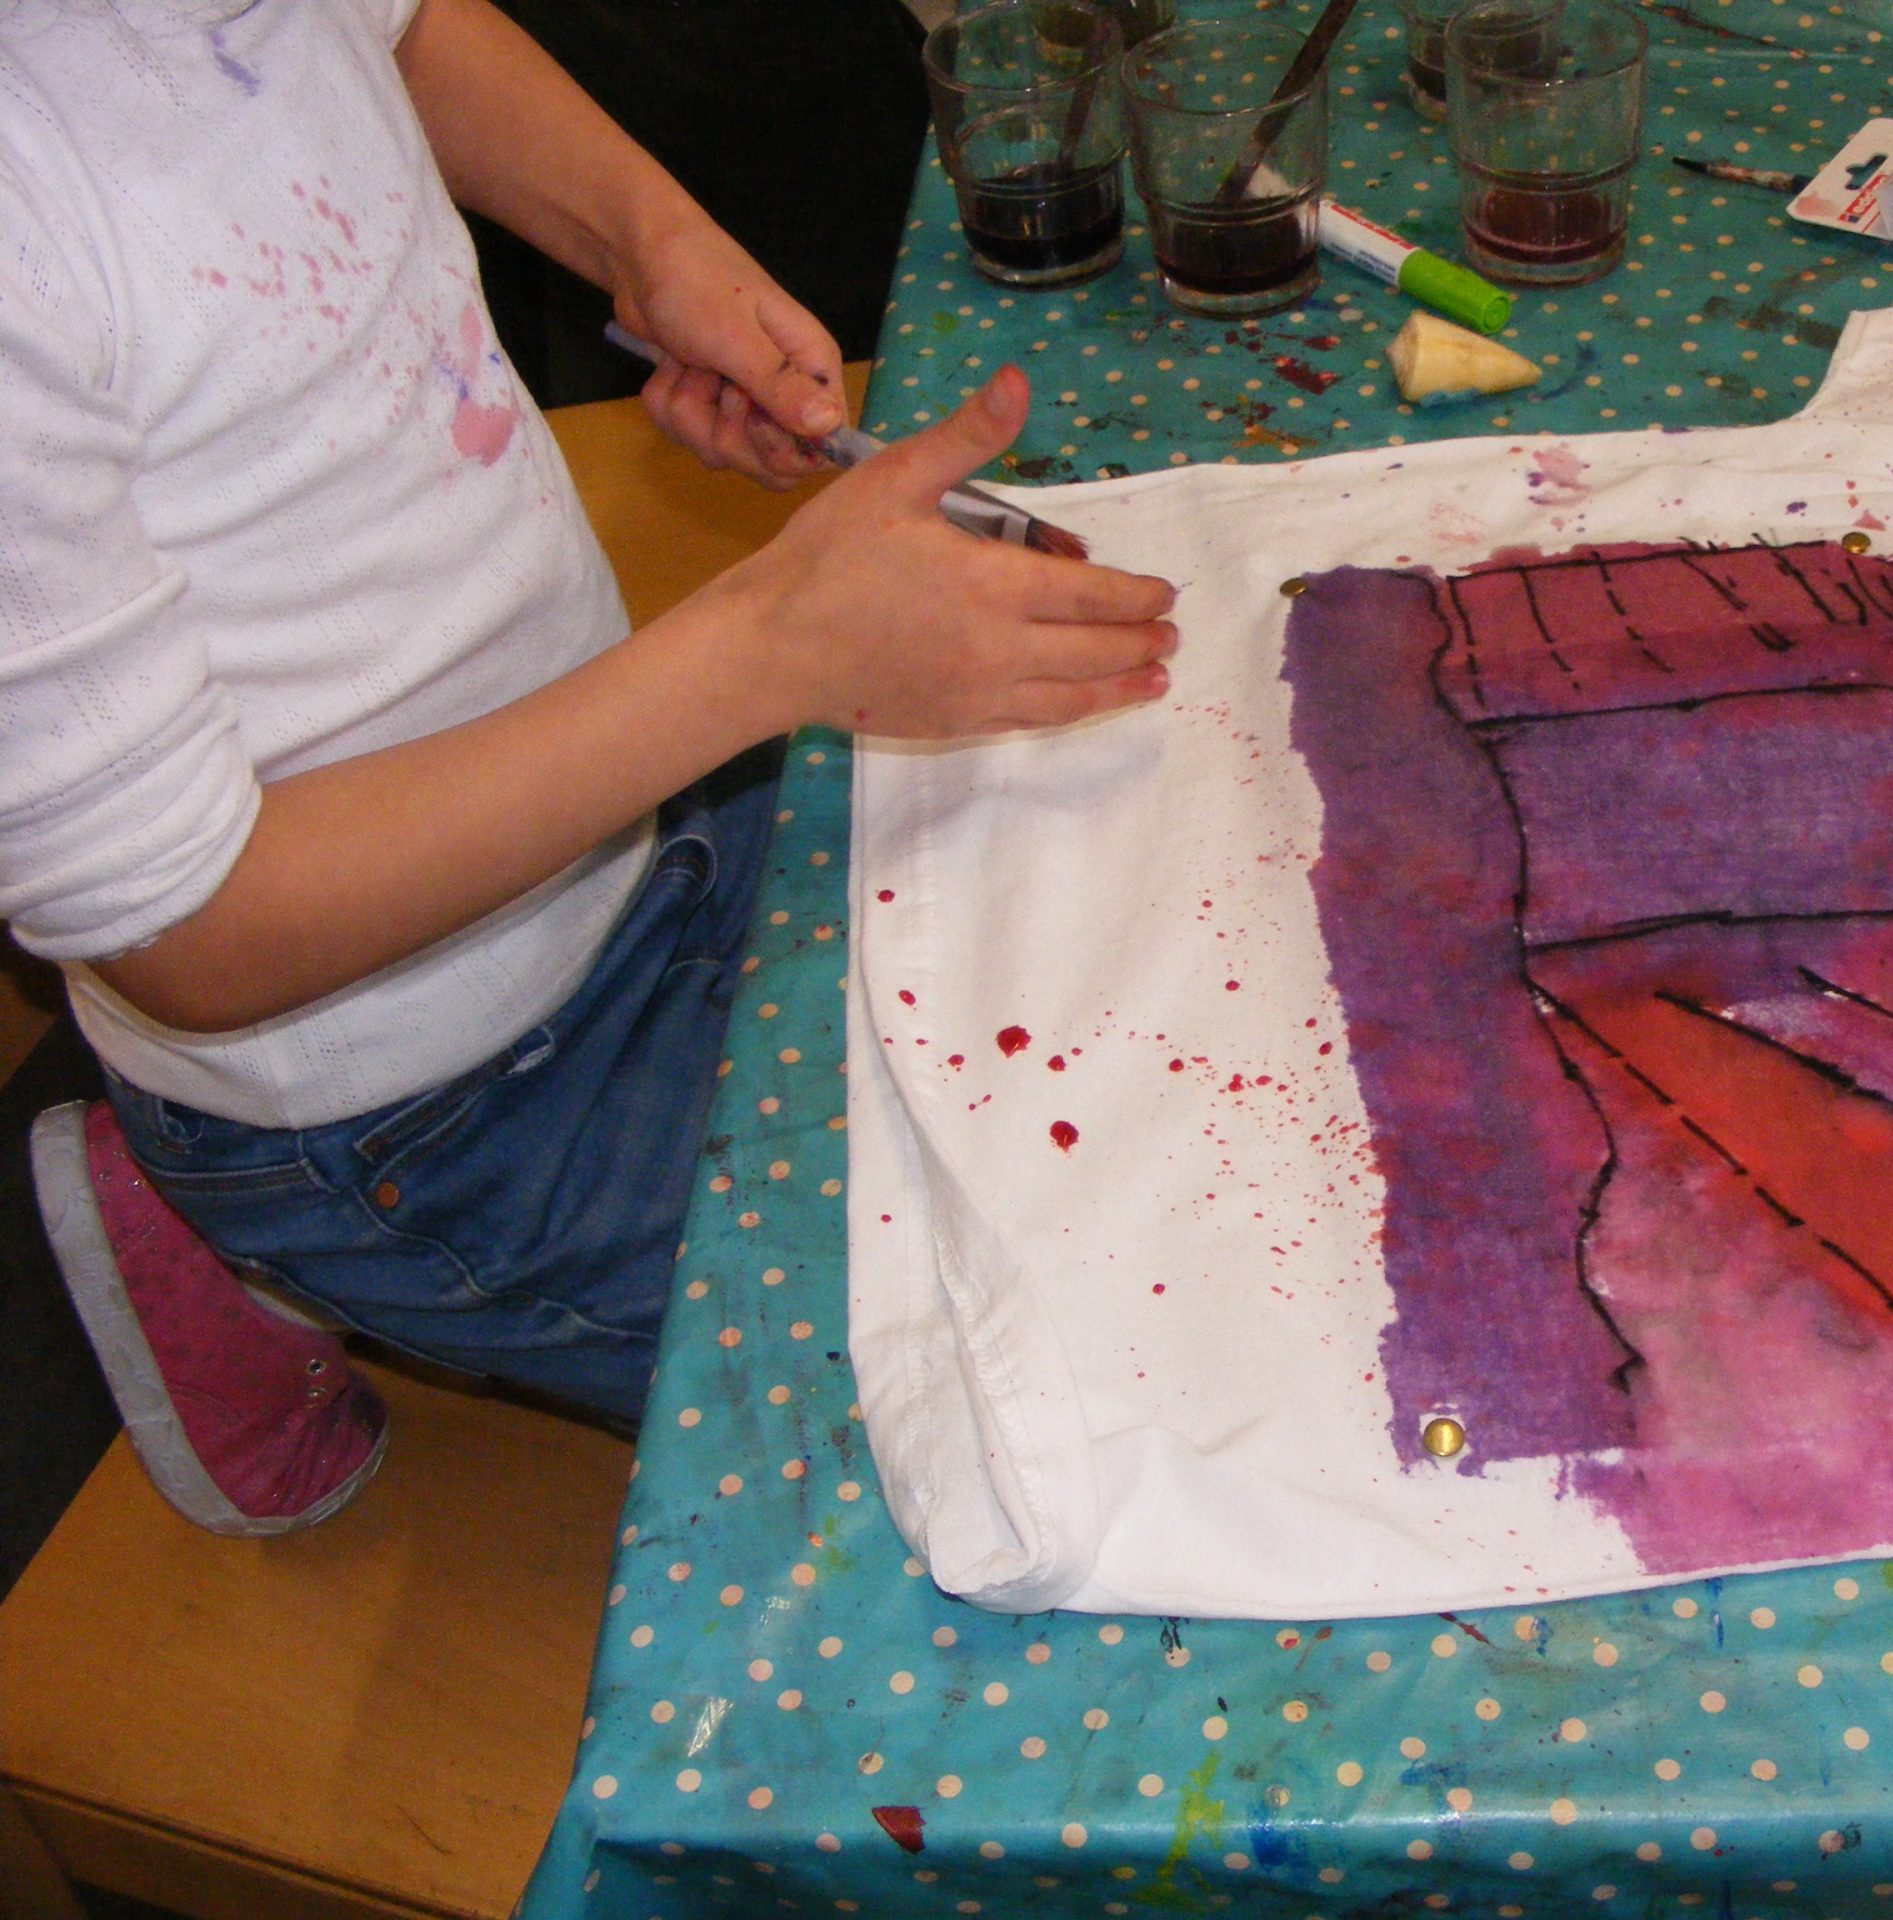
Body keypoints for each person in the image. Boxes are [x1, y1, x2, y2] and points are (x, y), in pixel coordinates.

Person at [0, 0, 1176, 1522]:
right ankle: (234, 1242)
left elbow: (407, 27)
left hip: (626, 800)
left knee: (1142, 958)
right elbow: (188, 932)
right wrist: (765, 647)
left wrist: (647, 242)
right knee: (1055, 1390)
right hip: (416, 1111)